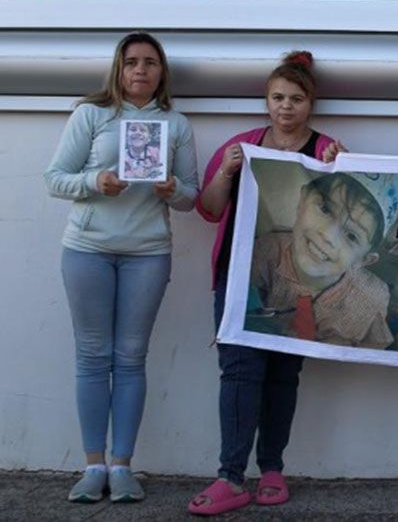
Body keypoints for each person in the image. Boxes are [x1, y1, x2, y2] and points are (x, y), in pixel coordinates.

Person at [45, 31, 199, 503]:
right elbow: (55, 179)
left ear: (161, 72)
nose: (140, 70)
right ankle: (94, 468)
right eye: (132, 61)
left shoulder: (176, 124)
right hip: (88, 248)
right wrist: (96, 181)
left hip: (147, 253)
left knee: (130, 359)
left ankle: (123, 465)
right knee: (93, 357)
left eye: (150, 62)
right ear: (118, 68)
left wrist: (170, 189)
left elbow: (192, 197)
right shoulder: (90, 115)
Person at [188, 51, 339, 515]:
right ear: (266, 100)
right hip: (238, 282)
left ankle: (271, 468)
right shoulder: (241, 146)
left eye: (296, 98)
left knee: (282, 377)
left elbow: (342, 217)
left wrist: (341, 168)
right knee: (239, 374)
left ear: (310, 103)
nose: (286, 107)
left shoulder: (326, 149)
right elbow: (209, 209)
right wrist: (226, 172)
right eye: (277, 97)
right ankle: (230, 476)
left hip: (298, 287)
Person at [248, 170, 398, 349]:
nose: (328, 236)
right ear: (303, 198)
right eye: (325, 209)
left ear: (364, 260)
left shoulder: (369, 300)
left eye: (352, 236)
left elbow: (374, 347)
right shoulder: (267, 251)